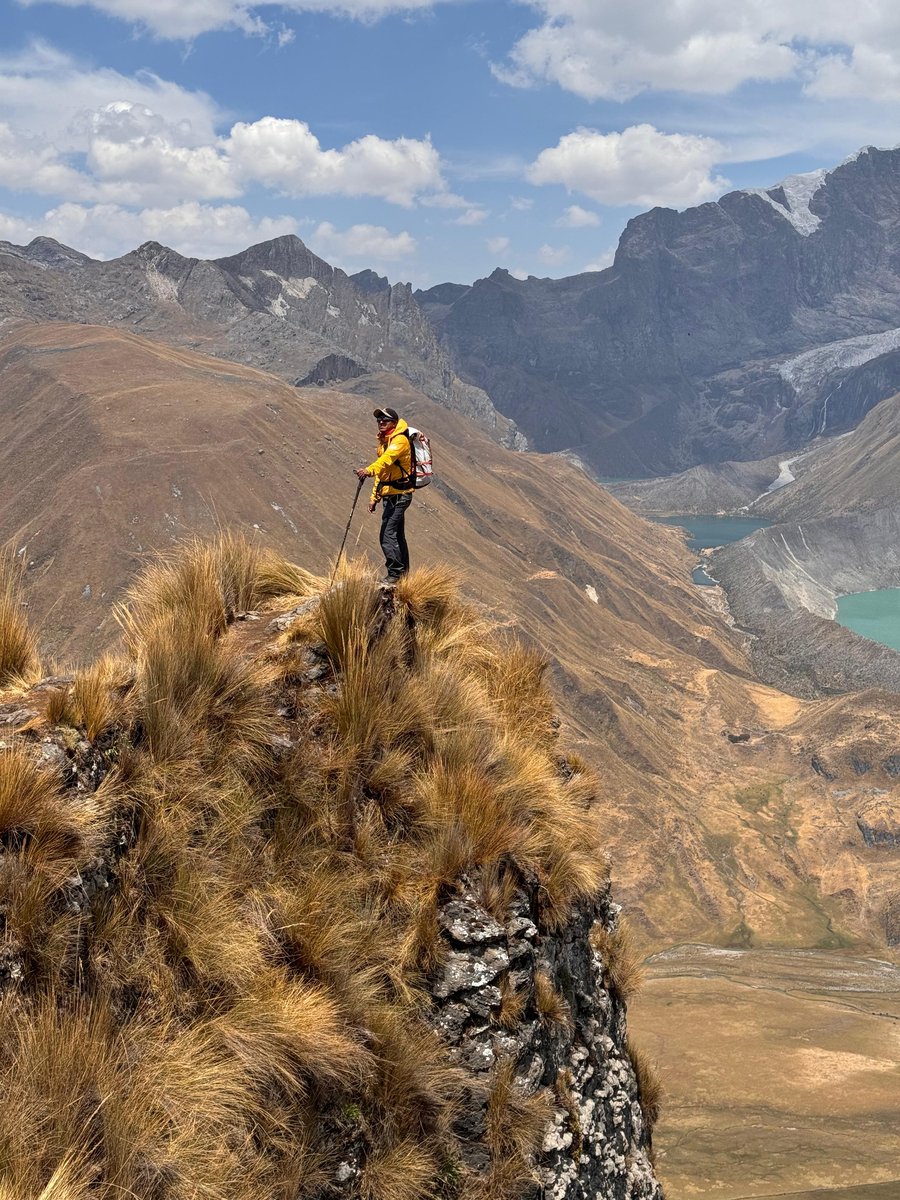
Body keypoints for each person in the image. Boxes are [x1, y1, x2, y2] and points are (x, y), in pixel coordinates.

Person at [355, 406, 414, 585]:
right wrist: (374, 497)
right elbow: (384, 473)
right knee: (397, 534)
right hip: (391, 494)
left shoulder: (399, 441)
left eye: (385, 420)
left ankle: (395, 574)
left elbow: (385, 461)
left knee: (387, 534)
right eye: (379, 420)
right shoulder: (386, 440)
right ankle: (403, 574)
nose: (381, 422)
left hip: (400, 495)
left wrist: (368, 470)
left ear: (394, 423)